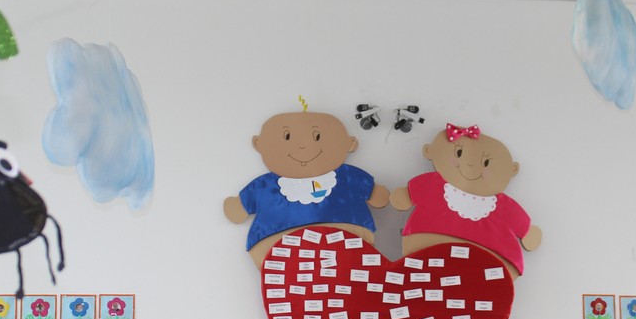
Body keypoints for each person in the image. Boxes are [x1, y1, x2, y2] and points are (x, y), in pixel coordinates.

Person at [224, 110, 389, 267]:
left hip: (348, 239)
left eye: (317, 137)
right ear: (258, 144)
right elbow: (239, 209)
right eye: (287, 136)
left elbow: (378, 196)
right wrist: (238, 206)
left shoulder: (348, 176)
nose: (303, 146)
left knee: (347, 268)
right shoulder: (265, 185)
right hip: (277, 242)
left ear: (350, 143)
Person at [390, 123, 541, 279]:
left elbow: (518, 222)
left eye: (486, 163)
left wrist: (528, 233)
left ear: (512, 169)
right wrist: (404, 196)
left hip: (491, 258)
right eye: (459, 153)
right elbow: (406, 197)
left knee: (478, 280)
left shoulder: (503, 206)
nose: (471, 164)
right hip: (427, 244)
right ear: (429, 151)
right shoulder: (433, 185)